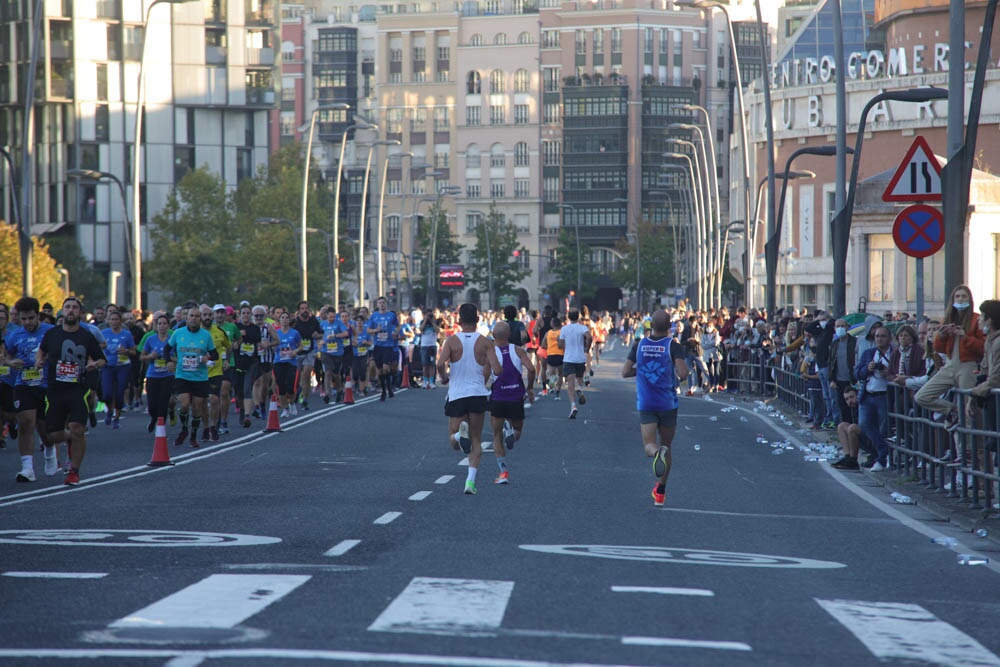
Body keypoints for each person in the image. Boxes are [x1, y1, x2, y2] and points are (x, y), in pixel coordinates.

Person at [621, 309, 689, 507]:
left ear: (650, 326)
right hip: (668, 403)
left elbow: (625, 372)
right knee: (668, 447)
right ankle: (660, 491)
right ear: (670, 327)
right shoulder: (673, 346)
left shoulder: (639, 344)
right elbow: (683, 373)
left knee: (649, 445)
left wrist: (642, 370)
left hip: (647, 402)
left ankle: (655, 452)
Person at [436, 303, 504, 495]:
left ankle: (459, 434)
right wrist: (489, 376)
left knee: (454, 442)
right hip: (477, 393)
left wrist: (444, 377)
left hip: (457, 394)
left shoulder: (451, 341)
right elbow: (497, 369)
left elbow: (440, 364)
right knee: (476, 440)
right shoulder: (485, 342)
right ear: (478, 319)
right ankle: (470, 482)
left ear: (458, 321)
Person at [37, 297, 106, 485]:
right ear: (62, 311)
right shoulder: (52, 334)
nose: (70, 311)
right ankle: (70, 438)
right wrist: (39, 361)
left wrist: (93, 364)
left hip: (78, 388)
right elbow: (41, 350)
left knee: (77, 428)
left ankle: (74, 471)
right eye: (67, 307)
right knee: (51, 435)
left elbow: (101, 359)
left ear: (80, 313)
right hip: (55, 389)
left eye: (74, 308)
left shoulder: (86, 336)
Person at [914, 284, 985, 430]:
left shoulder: (976, 320)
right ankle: (952, 411)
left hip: (968, 366)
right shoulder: (948, 319)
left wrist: (964, 337)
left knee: (969, 410)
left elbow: (982, 348)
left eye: (964, 296)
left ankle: (973, 449)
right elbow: (938, 348)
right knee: (922, 396)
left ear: (970, 300)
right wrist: (942, 335)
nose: (960, 299)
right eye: (957, 296)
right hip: (950, 365)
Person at [5, 297, 55, 482]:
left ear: (38, 315)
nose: (27, 323)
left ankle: (49, 451)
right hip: (23, 383)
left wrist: (47, 359)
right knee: (26, 422)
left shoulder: (50, 331)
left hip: (46, 384)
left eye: (31, 318)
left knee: (44, 428)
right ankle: (27, 468)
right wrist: (11, 362)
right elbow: (7, 355)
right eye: (23, 319)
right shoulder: (15, 335)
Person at [486, 320, 536, 485]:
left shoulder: (490, 353)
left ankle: (503, 472)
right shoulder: (518, 350)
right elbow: (531, 369)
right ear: (509, 335)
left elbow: (485, 376)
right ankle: (512, 434)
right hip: (516, 396)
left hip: (498, 397)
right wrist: (529, 388)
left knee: (496, 435)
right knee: (518, 432)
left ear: (493, 336)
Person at [165, 308, 217, 448]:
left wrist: (208, 357)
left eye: (196, 316)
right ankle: (184, 429)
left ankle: (193, 435)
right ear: (186, 318)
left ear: (200, 319)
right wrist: (169, 361)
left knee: (196, 408)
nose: (193, 318)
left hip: (200, 377)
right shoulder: (178, 333)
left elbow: (215, 354)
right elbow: (166, 349)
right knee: (184, 404)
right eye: (191, 316)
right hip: (183, 375)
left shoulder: (205, 335)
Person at [854, 324, 894, 470]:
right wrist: (867, 369)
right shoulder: (869, 353)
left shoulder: (894, 353)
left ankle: (881, 458)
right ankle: (883, 452)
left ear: (889, 338)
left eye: (883, 336)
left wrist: (888, 373)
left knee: (884, 428)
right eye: (877, 336)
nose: (879, 339)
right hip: (867, 394)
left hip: (884, 395)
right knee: (864, 424)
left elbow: (899, 373)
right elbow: (857, 373)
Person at [99, 310, 136, 429]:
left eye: (116, 319)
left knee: (120, 393)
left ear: (121, 321)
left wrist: (126, 351)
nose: (114, 322)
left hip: (123, 366)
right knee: (107, 394)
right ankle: (110, 410)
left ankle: (116, 417)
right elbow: (97, 347)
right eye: (112, 319)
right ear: (108, 321)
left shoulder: (126, 334)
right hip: (108, 366)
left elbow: (134, 352)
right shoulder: (104, 333)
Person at [140, 313, 174, 432]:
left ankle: (161, 427)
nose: (162, 326)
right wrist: (151, 356)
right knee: (152, 403)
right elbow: (142, 357)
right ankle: (154, 418)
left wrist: (169, 358)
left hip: (167, 375)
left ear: (168, 326)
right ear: (156, 325)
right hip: (153, 374)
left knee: (163, 401)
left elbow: (178, 357)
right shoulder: (150, 339)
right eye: (160, 324)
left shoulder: (172, 339)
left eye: (165, 324)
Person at [558, 309, 592, 419]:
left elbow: (560, 344)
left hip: (568, 358)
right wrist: (587, 347)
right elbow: (589, 337)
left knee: (570, 383)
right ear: (578, 317)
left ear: (568, 317)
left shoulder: (564, 329)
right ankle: (580, 390)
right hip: (580, 358)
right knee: (579, 380)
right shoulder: (582, 328)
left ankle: (573, 406)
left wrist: (562, 346)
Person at [829, 385, 874, 470]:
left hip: (871, 438)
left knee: (852, 428)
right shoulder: (849, 408)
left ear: (857, 395)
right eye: (847, 399)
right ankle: (847, 457)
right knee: (841, 426)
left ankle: (853, 460)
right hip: (861, 436)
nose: (850, 401)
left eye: (852, 397)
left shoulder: (863, 405)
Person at [367, 296, 400, 401]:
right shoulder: (374, 316)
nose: (382, 304)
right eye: (380, 303)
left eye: (383, 303)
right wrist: (375, 330)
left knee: (386, 368)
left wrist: (395, 332)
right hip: (378, 346)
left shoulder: (391, 315)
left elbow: (398, 326)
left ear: (386, 304)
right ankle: (385, 390)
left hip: (388, 345)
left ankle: (388, 389)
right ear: (377, 305)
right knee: (380, 370)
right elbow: (368, 330)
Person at [273, 311, 304, 418]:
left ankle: (292, 403)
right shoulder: (276, 333)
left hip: (291, 362)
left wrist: (295, 351)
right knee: (281, 386)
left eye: (287, 317)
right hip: (278, 361)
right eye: (283, 317)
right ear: (279, 320)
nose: (285, 319)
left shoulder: (295, 333)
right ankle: (285, 408)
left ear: (289, 320)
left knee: (291, 386)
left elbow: (301, 346)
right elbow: (272, 345)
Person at [320, 306, 349, 403]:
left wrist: (335, 336)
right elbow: (318, 335)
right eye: (330, 317)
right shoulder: (323, 324)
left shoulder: (339, 323)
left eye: (333, 317)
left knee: (336, 374)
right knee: (328, 372)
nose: (331, 319)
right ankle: (327, 393)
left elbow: (345, 334)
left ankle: (340, 390)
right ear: (326, 316)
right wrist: (320, 342)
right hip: (326, 352)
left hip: (337, 352)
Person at [418, 311, 440, 389]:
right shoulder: (422, 322)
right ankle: (425, 381)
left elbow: (437, 330)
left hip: (432, 345)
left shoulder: (436, 322)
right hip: (424, 346)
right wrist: (425, 320)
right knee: (425, 365)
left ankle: (431, 382)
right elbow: (420, 329)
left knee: (432, 365)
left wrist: (432, 322)